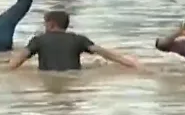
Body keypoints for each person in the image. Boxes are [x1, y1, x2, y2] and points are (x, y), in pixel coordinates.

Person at [8, 10, 140, 71]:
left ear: (51, 24)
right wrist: (129, 63)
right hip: (74, 75)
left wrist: (5, 69)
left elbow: (18, 60)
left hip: (47, 77)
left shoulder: (38, 40)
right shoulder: (78, 39)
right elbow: (103, 52)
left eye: (45, 23)